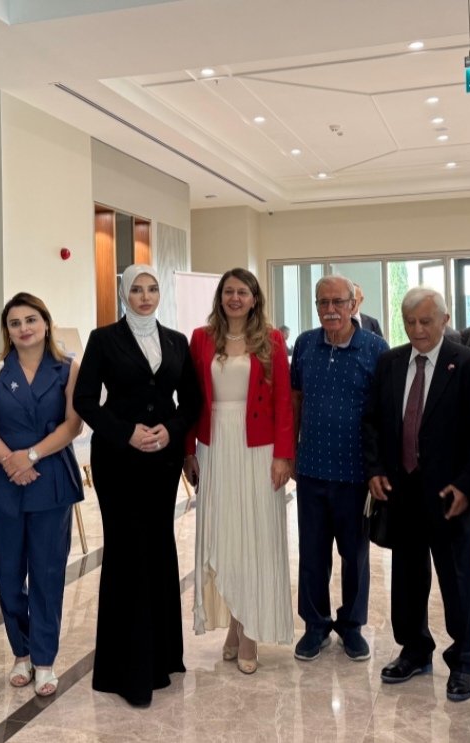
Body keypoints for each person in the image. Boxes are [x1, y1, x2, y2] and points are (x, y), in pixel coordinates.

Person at [73, 264, 201, 707]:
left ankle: (163, 657)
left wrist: (171, 430)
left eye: (152, 289)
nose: (145, 297)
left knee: (160, 547)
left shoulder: (176, 341)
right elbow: (84, 400)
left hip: (162, 459)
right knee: (127, 553)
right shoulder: (103, 339)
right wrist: (125, 432)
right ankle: (126, 671)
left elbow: (193, 401)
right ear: (124, 295)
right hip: (119, 459)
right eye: (136, 290)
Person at [363, 286, 470, 700]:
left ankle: (465, 660)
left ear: (444, 320)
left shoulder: (469, 364)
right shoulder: (390, 362)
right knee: (407, 578)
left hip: (452, 495)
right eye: (410, 322)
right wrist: (375, 470)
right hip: (402, 492)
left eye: (426, 321)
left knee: (459, 582)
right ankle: (414, 650)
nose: (417, 329)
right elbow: (373, 422)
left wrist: (467, 484)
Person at [0, 293, 84, 697]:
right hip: (0, 478)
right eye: (15, 322)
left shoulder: (68, 368)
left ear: (46, 323)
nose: (24, 328)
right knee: (7, 573)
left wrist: (31, 456)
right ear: (7, 330)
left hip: (50, 477)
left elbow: (73, 424)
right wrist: (10, 460)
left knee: (48, 573)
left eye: (31, 319)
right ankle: (21, 651)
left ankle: (44, 658)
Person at [185, 268, 295, 675]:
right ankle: (234, 624)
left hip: (258, 448)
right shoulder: (201, 338)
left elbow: (283, 401)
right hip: (215, 445)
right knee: (225, 535)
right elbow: (191, 399)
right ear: (220, 297)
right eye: (229, 291)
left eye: (242, 292)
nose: (235, 298)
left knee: (255, 538)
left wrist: (283, 456)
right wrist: (188, 451)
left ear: (254, 299)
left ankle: (249, 632)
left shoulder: (272, 339)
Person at [290, 275, 389, 662]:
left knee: (355, 555)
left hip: (355, 473)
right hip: (312, 469)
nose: (330, 310)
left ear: (353, 305)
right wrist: (292, 451)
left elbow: (383, 413)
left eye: (338, 302)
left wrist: (379, 467)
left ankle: (351, 626)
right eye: (323, 302)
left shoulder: (375, 348)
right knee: (312, 553)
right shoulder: (304, 344)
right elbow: (296, 399)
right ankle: (315, 625)